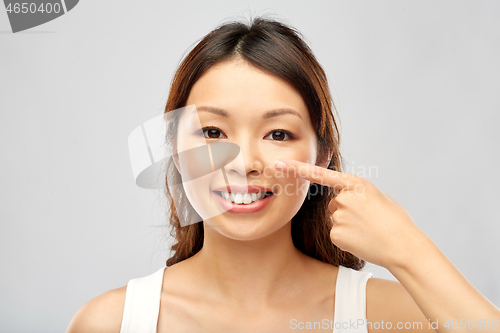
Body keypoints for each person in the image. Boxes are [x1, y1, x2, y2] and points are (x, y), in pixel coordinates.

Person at [66, 15, 500, 333]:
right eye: (213, 131)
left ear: (323, 155)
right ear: (176, 151)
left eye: (277, 132)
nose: (244, 162)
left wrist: (409, 248)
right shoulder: (110, 322)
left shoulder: (391, 316)